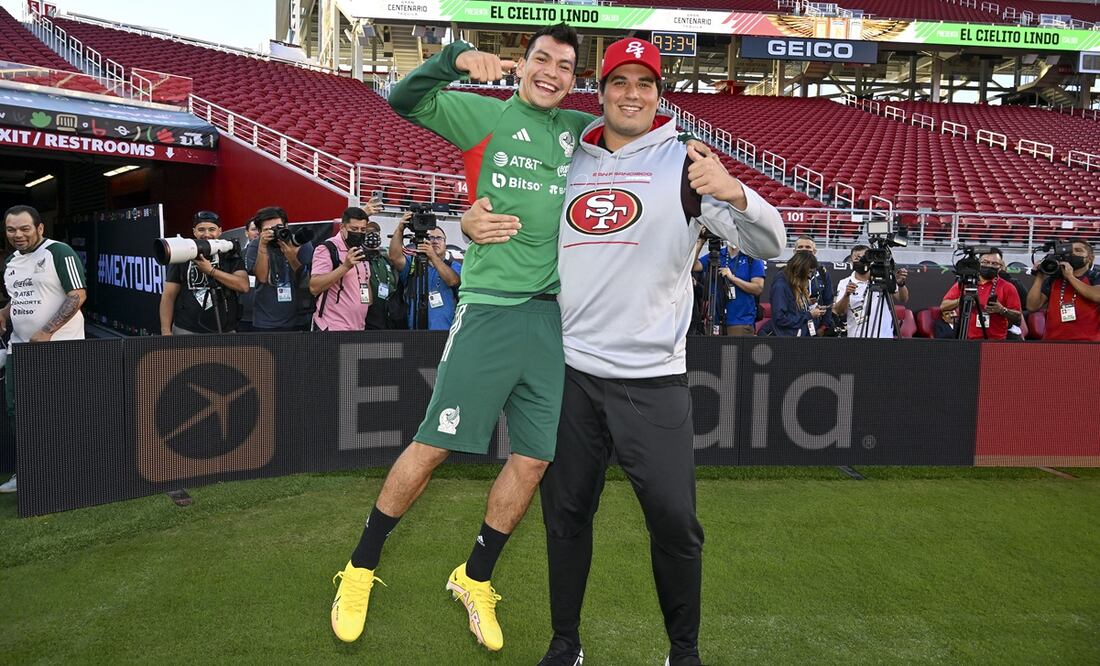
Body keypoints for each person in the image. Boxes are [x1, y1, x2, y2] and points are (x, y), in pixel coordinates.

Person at [466, 37, 784, 666]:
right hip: (571, 376)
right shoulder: (570, 160)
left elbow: (772, 244)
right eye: (619, 82)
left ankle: (683, 652)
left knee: (674, 523)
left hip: (652, 380)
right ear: (602, 90)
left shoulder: (686, 165)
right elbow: (515, 212)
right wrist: (470, 218)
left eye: (644, 82)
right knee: (566, 519)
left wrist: (737, 192)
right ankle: (566, 645)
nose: (631, 93)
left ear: (659, 93)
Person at [330, 23, 594, 653]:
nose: (551, 73)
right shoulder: (481, 115)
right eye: (541, 60)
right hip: (490, 311)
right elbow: (401, 100)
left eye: (564, 65)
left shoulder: (580, 131)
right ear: (523, 64)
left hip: (551, 319)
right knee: (433, 445)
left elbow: (638, 124)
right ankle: (361, 567)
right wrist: (452, 57)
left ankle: (473, 577)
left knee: (533, 459)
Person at [0, 205, 87, 494]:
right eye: (11, 229)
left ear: (40, 228)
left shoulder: (58, 252)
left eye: (24, 228)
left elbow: (77, 294)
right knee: (17, 411)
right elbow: (23, 294)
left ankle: (66, 472)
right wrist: (4, 312)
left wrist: (48, 330)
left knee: (58, 411)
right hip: (19, 349)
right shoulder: (11, 261)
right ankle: (28, 470)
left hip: (58, 349)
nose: (18, 235)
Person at [158, 211, 249, 335]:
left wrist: (211, 271)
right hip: (186, 329)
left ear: (220, 231)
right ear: (194, 231)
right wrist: (165, 330)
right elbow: (168, 296)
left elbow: (243, 286)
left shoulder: (230, 253)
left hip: (224, 329)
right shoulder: (181, 254)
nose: (207, 234)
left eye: (212, 229)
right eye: (201, 229)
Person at [245, 206, 314, 332]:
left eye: (278, 227)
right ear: (260, 232)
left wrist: (292, 257)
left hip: (298, 317)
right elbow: (262, 277)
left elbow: (307, 279)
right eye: (268, 230)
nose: (274, 232)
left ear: (286, 226)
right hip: (266, 320)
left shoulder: (299, 242)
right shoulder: (255, 245)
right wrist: (262, 247)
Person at [387, 213, 461, 330]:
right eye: (431, 238)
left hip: (445, 331)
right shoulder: (413, 262)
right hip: (415, 330)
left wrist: (432, 256)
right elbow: (394, 257)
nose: (435, 241)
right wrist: (400, 228)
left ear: (445, 243)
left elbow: (453, 281)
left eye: (439, 238)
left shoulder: (453, 264)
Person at [309, 207, 372, 332]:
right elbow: (314, 287)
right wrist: (345, 267)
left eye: (363, 230)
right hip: (332, 327)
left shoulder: (361, 251)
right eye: (354, 229)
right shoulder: (327, 248)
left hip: (358, 326)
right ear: (342, 227)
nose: (359, 233)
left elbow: (365, 286)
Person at [1025, 239, 1100, 341]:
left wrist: (1070, 277)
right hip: (1053, 342)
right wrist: (1039, 277)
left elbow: (1097, 296)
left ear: (1090, 258)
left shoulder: (1095, 276)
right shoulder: (1055, 279)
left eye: (1078, 250)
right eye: (1070, 251)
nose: (1073, 253)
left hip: (1087, 344)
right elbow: (1032, 306)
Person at [940, 247, 1021, 340]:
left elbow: (1018, 319)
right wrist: (962, 299)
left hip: (995, 341)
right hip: (967, 340)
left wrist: (1002, 310)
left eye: (994, 264)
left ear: (1000, 267)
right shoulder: (965, 282)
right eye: (985, 262)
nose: (989, 266)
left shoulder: (1008, 287)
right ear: (978, 263)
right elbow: (943, 306)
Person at [832, 243, 910, 338]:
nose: (860, 260)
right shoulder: (845, 283)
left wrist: (900, 284)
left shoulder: (884, 279)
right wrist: (846, 295)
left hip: (884, 336)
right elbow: (839, 311)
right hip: (856, 337)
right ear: (851, 261)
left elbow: (903, 299)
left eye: (864, 258)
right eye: (857, 258)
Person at [692, 239, 764, 336]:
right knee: (714, 351)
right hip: (716, 320)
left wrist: (732, 279)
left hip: (740, 321)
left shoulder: (752, 257)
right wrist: (700, 243)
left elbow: (758, 288)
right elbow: (693, 266)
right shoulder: (717, 255)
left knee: (737, 351)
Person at [767, 250, 825, 337]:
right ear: (800, 269)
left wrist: (809, 306)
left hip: (799, 339)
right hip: (789, 342)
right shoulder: (781, 285)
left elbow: (793, 310)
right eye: (809, 272)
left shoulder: (794, 284)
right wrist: (809, 315)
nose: (810, 277)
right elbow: (780, 319)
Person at [363, 219, 403, 330]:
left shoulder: (386, 259)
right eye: (368, 231)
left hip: (389, 318)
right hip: (368, 319)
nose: (372, 235)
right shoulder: (358, 259)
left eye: (376, 232)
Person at [795, 235, 834, 333]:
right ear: (794, 251)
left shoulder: (822, 273)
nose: (804, 250)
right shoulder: (786, 273)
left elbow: (828, 301)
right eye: (800, 247)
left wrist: (824, 327)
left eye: (808, 247)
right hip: (793, 325)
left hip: (816, 326)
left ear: (814, 252)